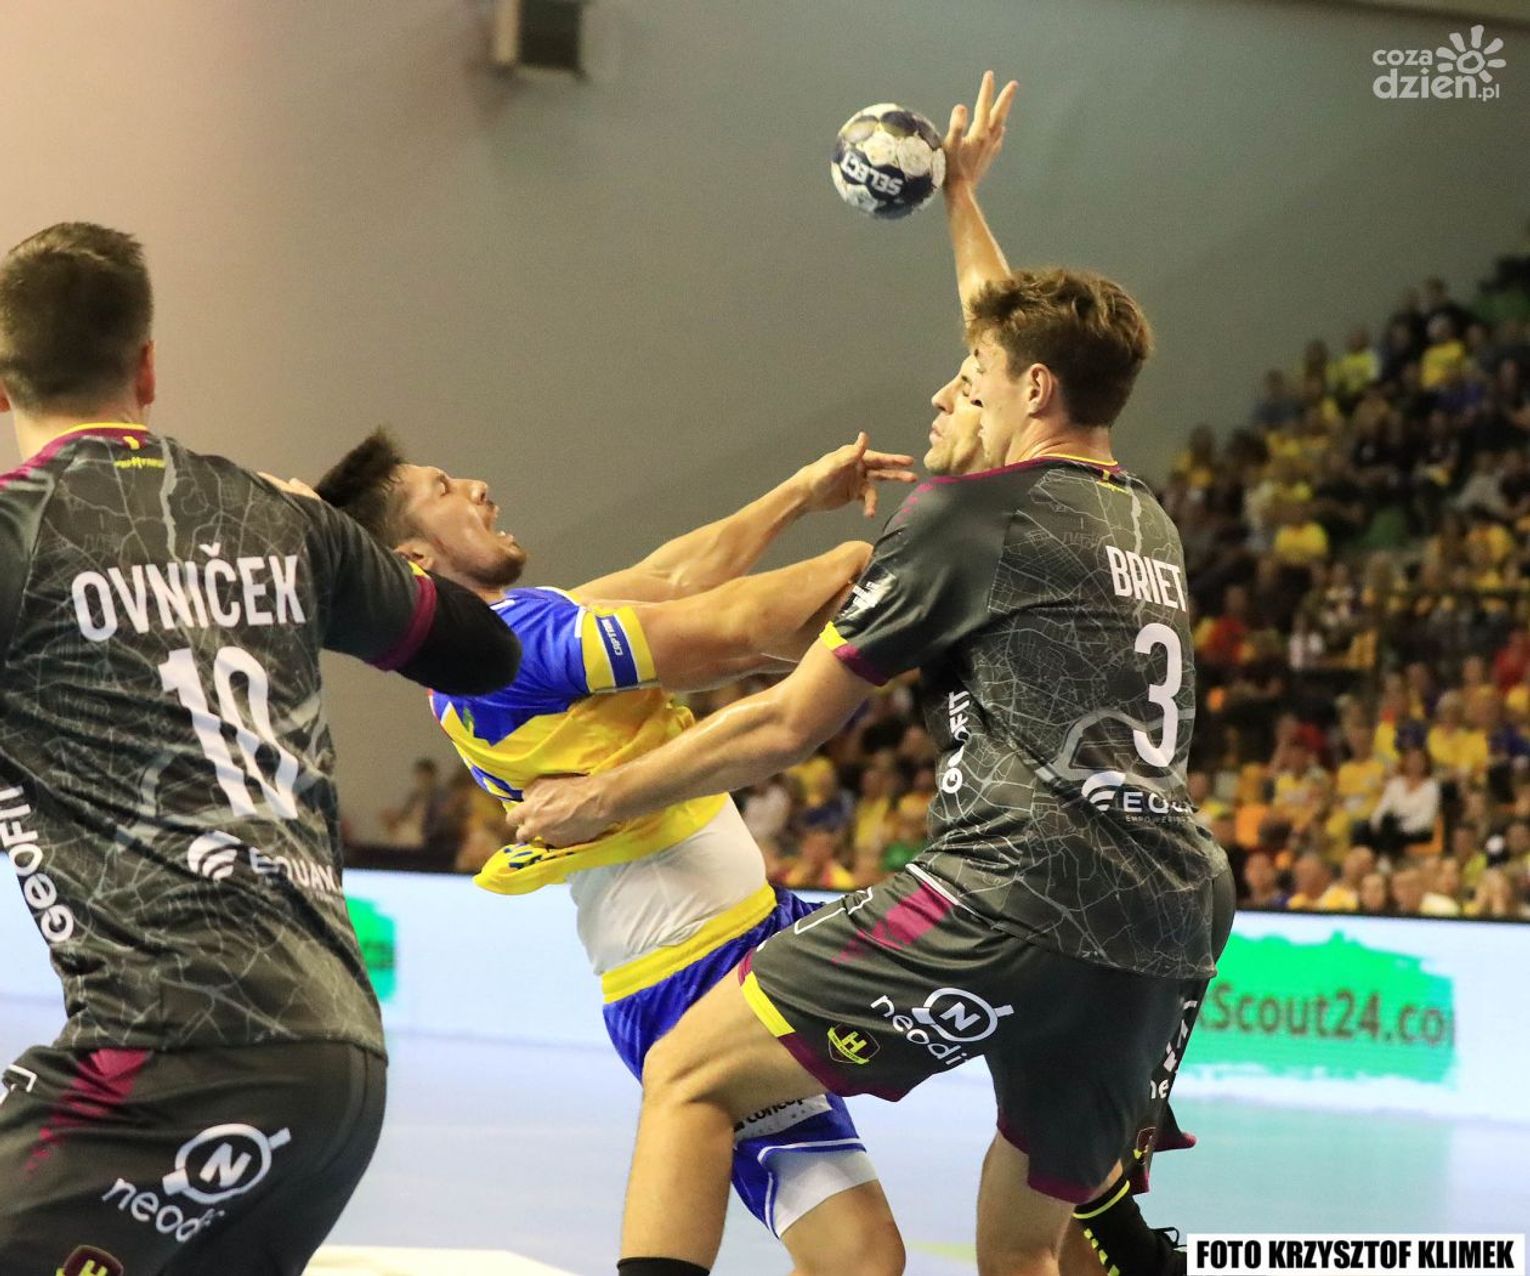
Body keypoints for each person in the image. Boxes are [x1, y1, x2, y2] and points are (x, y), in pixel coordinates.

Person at [512, 73, 1235, 1276]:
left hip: (1013, 890)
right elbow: (1019, 350)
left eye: (973, 375)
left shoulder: (971, 515)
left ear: (1031, 391)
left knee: (690, 1073)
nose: (955, 384)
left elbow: (786, 724)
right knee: (1023, 1252)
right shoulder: (1142, 515)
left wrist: (601, 798)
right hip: (1167, 915)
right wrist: (960, 200)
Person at [0, 224, 522, 1272]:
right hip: (340, 1070)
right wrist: (334, 557)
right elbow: (486, 651)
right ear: (148, 366)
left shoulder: (19, 532)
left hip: (172, 1053)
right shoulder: (278, 516)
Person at [315, 427, 916, 1273]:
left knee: (860, 1259)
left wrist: (798, 493)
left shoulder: (484, 648)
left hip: (709, 952)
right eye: (445, 487)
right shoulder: (524, 642)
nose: (480, 486)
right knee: (988, 985)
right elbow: (740, 628)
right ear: (415, 557)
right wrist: (895, 555)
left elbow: (673, 578)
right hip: (704, 970)